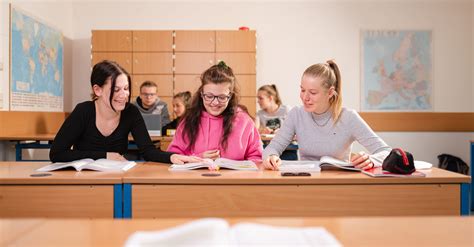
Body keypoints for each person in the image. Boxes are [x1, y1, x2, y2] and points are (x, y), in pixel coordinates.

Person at [49, 60, 198, 164]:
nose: (124, 95)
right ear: (97, 90)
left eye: (126, 89)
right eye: (116, 89)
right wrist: (105, 156)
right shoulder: (83, 111)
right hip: (84, 180)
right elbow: (57, 153)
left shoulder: (130, 112)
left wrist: (173, 157)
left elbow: (147, 150)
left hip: (116, 179)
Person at [263, 60, 391, 170]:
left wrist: (371, 160)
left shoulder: (348, 117)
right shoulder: (296, 114)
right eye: (302, 90)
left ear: (330, 93)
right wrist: (271, 157)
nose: (305, 97)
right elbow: (273, 147)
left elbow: (386, 152)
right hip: (306, 181)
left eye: (313, 92)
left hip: (338, 184)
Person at [167, 61, 262, 161]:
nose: (215, 102)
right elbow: (174, 156)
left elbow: (256, 156)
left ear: (230, 96)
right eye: (209, 96)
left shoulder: (244, 121)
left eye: (222, 97)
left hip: (234, 177)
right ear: (201, 94)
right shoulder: (190, 120)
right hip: (196, 176)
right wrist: (199, 158)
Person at [256, 84, 297, 160]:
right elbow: (254, 132)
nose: (258, 101)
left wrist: (283, 132)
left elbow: (297, 129)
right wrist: (262, 131)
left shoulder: (286, 110)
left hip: (288, 150)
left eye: (260, 98)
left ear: (270, 98)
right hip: (269, 151)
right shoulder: (259, 114)